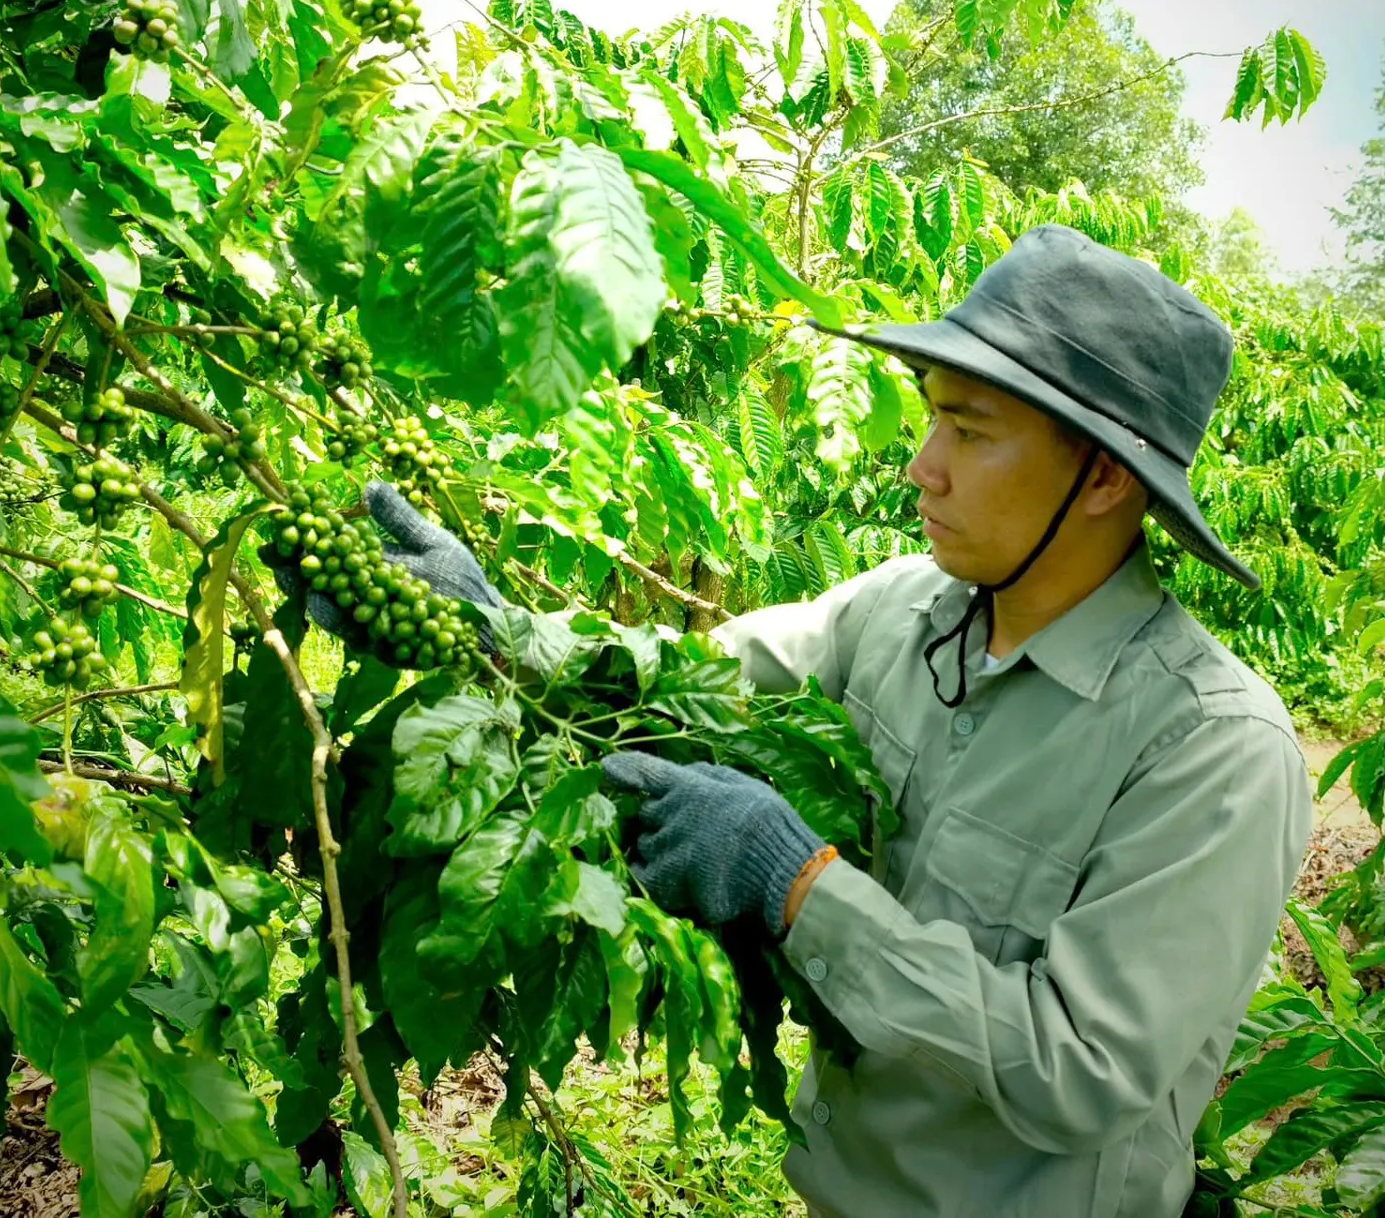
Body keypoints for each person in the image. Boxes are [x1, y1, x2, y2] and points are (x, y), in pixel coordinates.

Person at [315, 224, 1311, 1217]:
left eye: (970, 433)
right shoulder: (903, 610)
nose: (924, 466)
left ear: (1104, 477)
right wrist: (499, 630)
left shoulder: (1212, 750)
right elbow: (689, 683)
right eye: (933, 420)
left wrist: (799, 887)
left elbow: (1081, 1067)